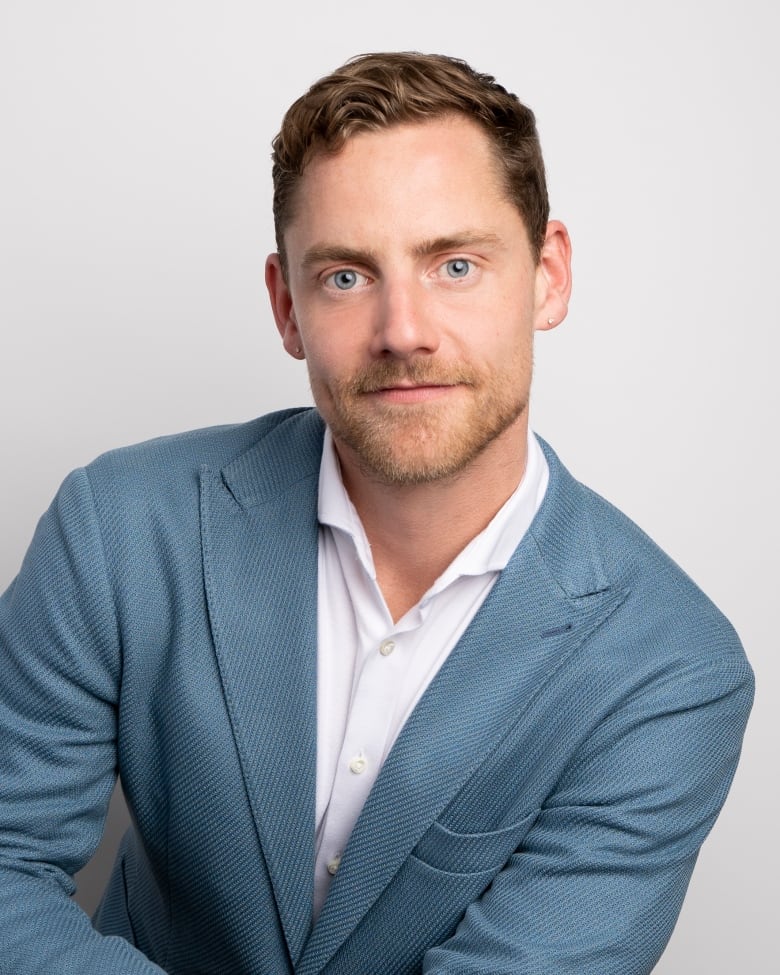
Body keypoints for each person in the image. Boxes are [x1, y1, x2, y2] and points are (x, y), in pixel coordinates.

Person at [0, 52, 753, 975]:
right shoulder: (118, 528)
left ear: (549, 276)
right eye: (347, 277)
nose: (404, 329)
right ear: (287, 307)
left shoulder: (670, 671)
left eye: (457, 264)